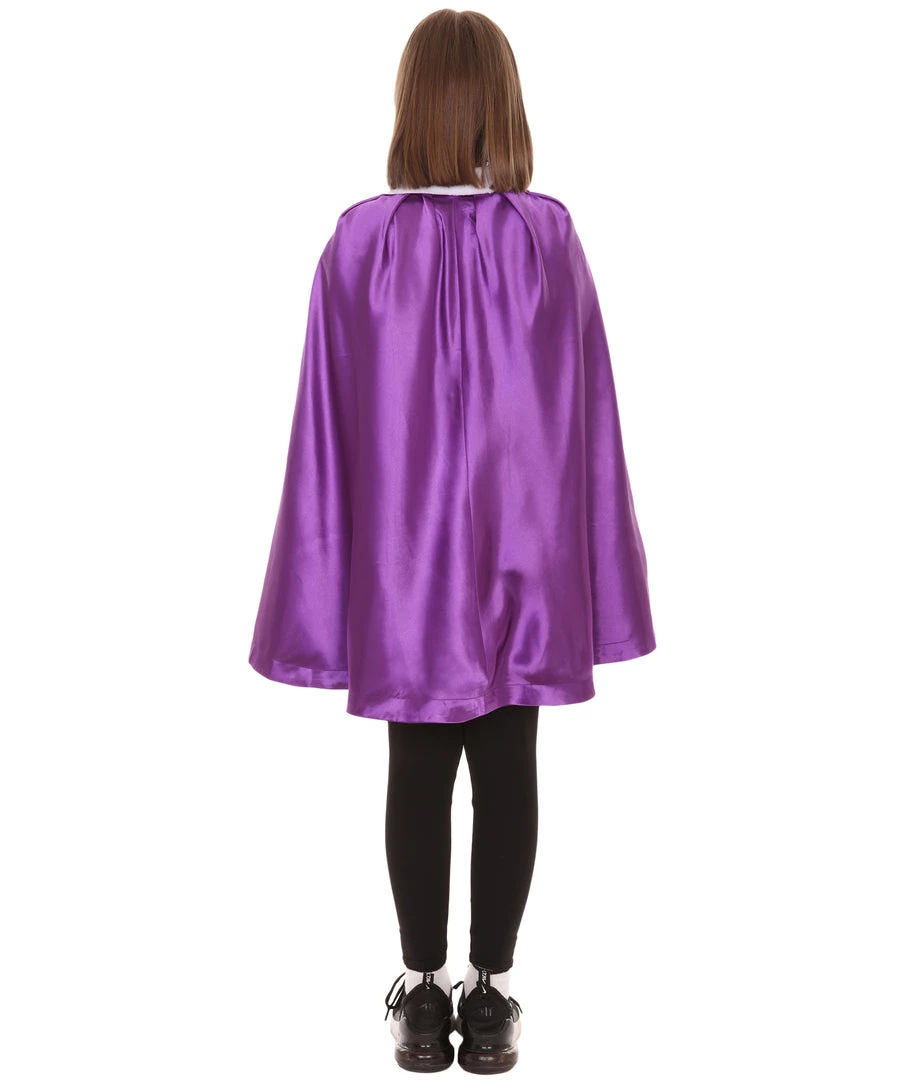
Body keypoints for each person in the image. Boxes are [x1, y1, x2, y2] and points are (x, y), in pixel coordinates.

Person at [247, 8, 656, 1074]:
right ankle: (492, 994)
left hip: (405, 565)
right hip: (528, 555)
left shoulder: (359, 240)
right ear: (502, 107)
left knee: (417, 763)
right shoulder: (547, 237)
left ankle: (422, 995)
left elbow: (327, 424)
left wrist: (333, 576)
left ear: (412, 106)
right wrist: (589, 563)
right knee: (510, 761)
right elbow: (586, 421)